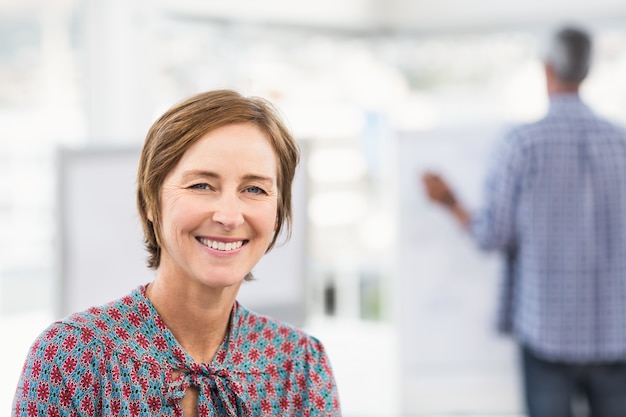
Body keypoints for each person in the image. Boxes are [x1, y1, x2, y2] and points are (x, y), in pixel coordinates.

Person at [12, 90, 341, 416]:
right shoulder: (73, 355)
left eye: (254, 189)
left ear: (278, 212)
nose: (229, 216)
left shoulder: (300, 364)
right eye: (201, 185)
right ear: (152, 201)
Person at [422, 26, 626, 417]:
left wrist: (449, 201)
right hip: (618, 337)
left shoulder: (521, 145)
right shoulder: (621, 142)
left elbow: (490, 236)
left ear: (547, 69)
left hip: (547, 333)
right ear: (587, 71)